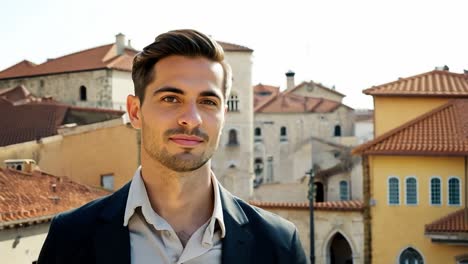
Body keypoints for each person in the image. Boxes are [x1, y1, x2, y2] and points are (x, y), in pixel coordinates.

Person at [38, 29, 307, 264]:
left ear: (224, 115)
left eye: (208, 102)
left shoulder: (278, 245)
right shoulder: (70, 237)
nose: (191, 119)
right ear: (134, 112)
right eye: (170, 98)